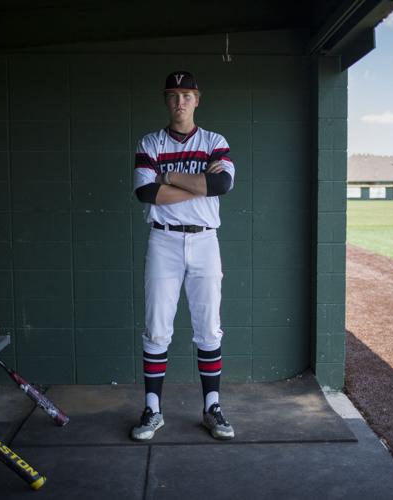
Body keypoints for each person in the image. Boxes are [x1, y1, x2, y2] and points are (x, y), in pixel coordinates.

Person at [131, 70, 236, 441]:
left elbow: (221, 184)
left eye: (187, 95)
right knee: (157, 328)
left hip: (206, 242)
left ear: (197, 98)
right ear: (166, 99)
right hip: (164, 241)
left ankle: (212, 407)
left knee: (209, 327)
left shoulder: (214, 141)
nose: (180, 102)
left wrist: (167, 177)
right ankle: (153, 410)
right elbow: (146, 194)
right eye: (173, 95)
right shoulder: (150, 142)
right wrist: (197, 184)